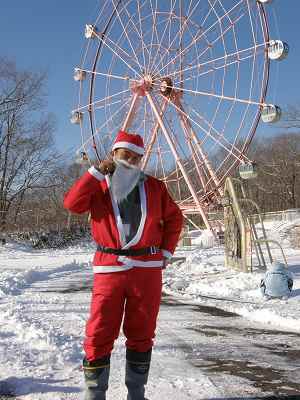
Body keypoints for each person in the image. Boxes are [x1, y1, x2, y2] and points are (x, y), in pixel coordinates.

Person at [64, 130, 183, 400]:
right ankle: (95, 394)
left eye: (135, 156)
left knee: (142, 331)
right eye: (124, 154)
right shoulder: (99, 184)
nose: (129, 160)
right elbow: (72, 204)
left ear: (141, 159)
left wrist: (165, 251)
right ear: (113, 154)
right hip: (109, 268)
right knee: (99, 330)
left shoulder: (155, 186)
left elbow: (175, 220)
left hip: (147, 271)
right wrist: (94, 173)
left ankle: (136, 394)